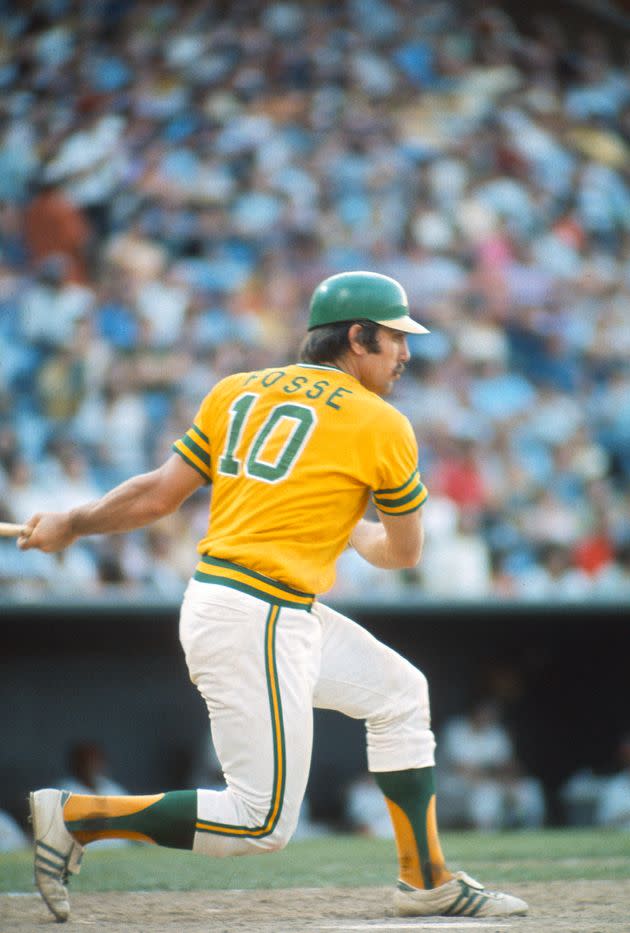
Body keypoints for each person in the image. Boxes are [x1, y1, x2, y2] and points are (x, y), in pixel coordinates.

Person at [20, 271, 527, 922]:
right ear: (357, 337)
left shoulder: (239, 389)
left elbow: (156, 494)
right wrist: (355, 532)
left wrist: (73, 521)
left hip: (258, 607)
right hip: (256, 614)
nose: (406, 352)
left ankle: (426, 878)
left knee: (402, 693)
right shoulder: (382, 422)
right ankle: (77, 815)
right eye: (396, 338)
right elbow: (403, 553)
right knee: (261, 822)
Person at [438, 699, 546, 831]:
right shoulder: (455, 729)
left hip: (491, 781)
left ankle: (530, 831)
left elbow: (508, 765)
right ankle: (484, 832)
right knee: (487, 791)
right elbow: (461, 768)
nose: (487, 717)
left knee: (529, 787)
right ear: (474, 712)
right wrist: (494, 778)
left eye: (491, 714)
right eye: (484, 713)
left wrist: (508, 781)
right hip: (452, 783)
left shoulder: (496, 732)